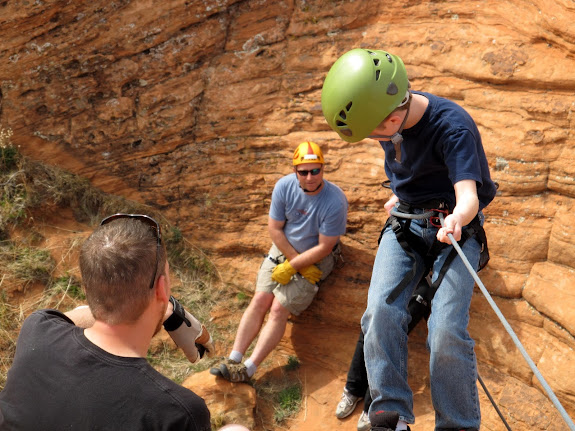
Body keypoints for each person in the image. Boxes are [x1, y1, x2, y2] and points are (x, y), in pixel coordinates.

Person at [322, 49, 497, 431]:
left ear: (394, 115)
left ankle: (458, 425)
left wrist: (456, 218)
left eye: (374, 131)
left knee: (447, 330)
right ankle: (391, 416)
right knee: (380, 313)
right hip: (407, 218)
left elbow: (468, 194)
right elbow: (406, 163)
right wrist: (403, 195)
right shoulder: (387, 118)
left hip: (455, 226)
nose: (373, 138)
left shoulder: (453, 126)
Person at [0, 213, 247, 431]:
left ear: (87, 286)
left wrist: (150, 306)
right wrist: (163, 309)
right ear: (162, 288)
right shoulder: (176, 413)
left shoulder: (37, 331)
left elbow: (78, 315)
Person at [210, 141, 348, 383]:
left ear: (323, 169)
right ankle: (233, 359)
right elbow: (274, 228)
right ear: (295, 171)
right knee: (261, 299)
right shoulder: (284, 186)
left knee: (277, 309)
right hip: (284, 247)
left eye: (315, 170)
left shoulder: (335, 200)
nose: (309, 177)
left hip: (317, 257)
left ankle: (248, 370)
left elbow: (325, 246)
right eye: (303, 172)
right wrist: (293, 262)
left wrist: (294, 266)